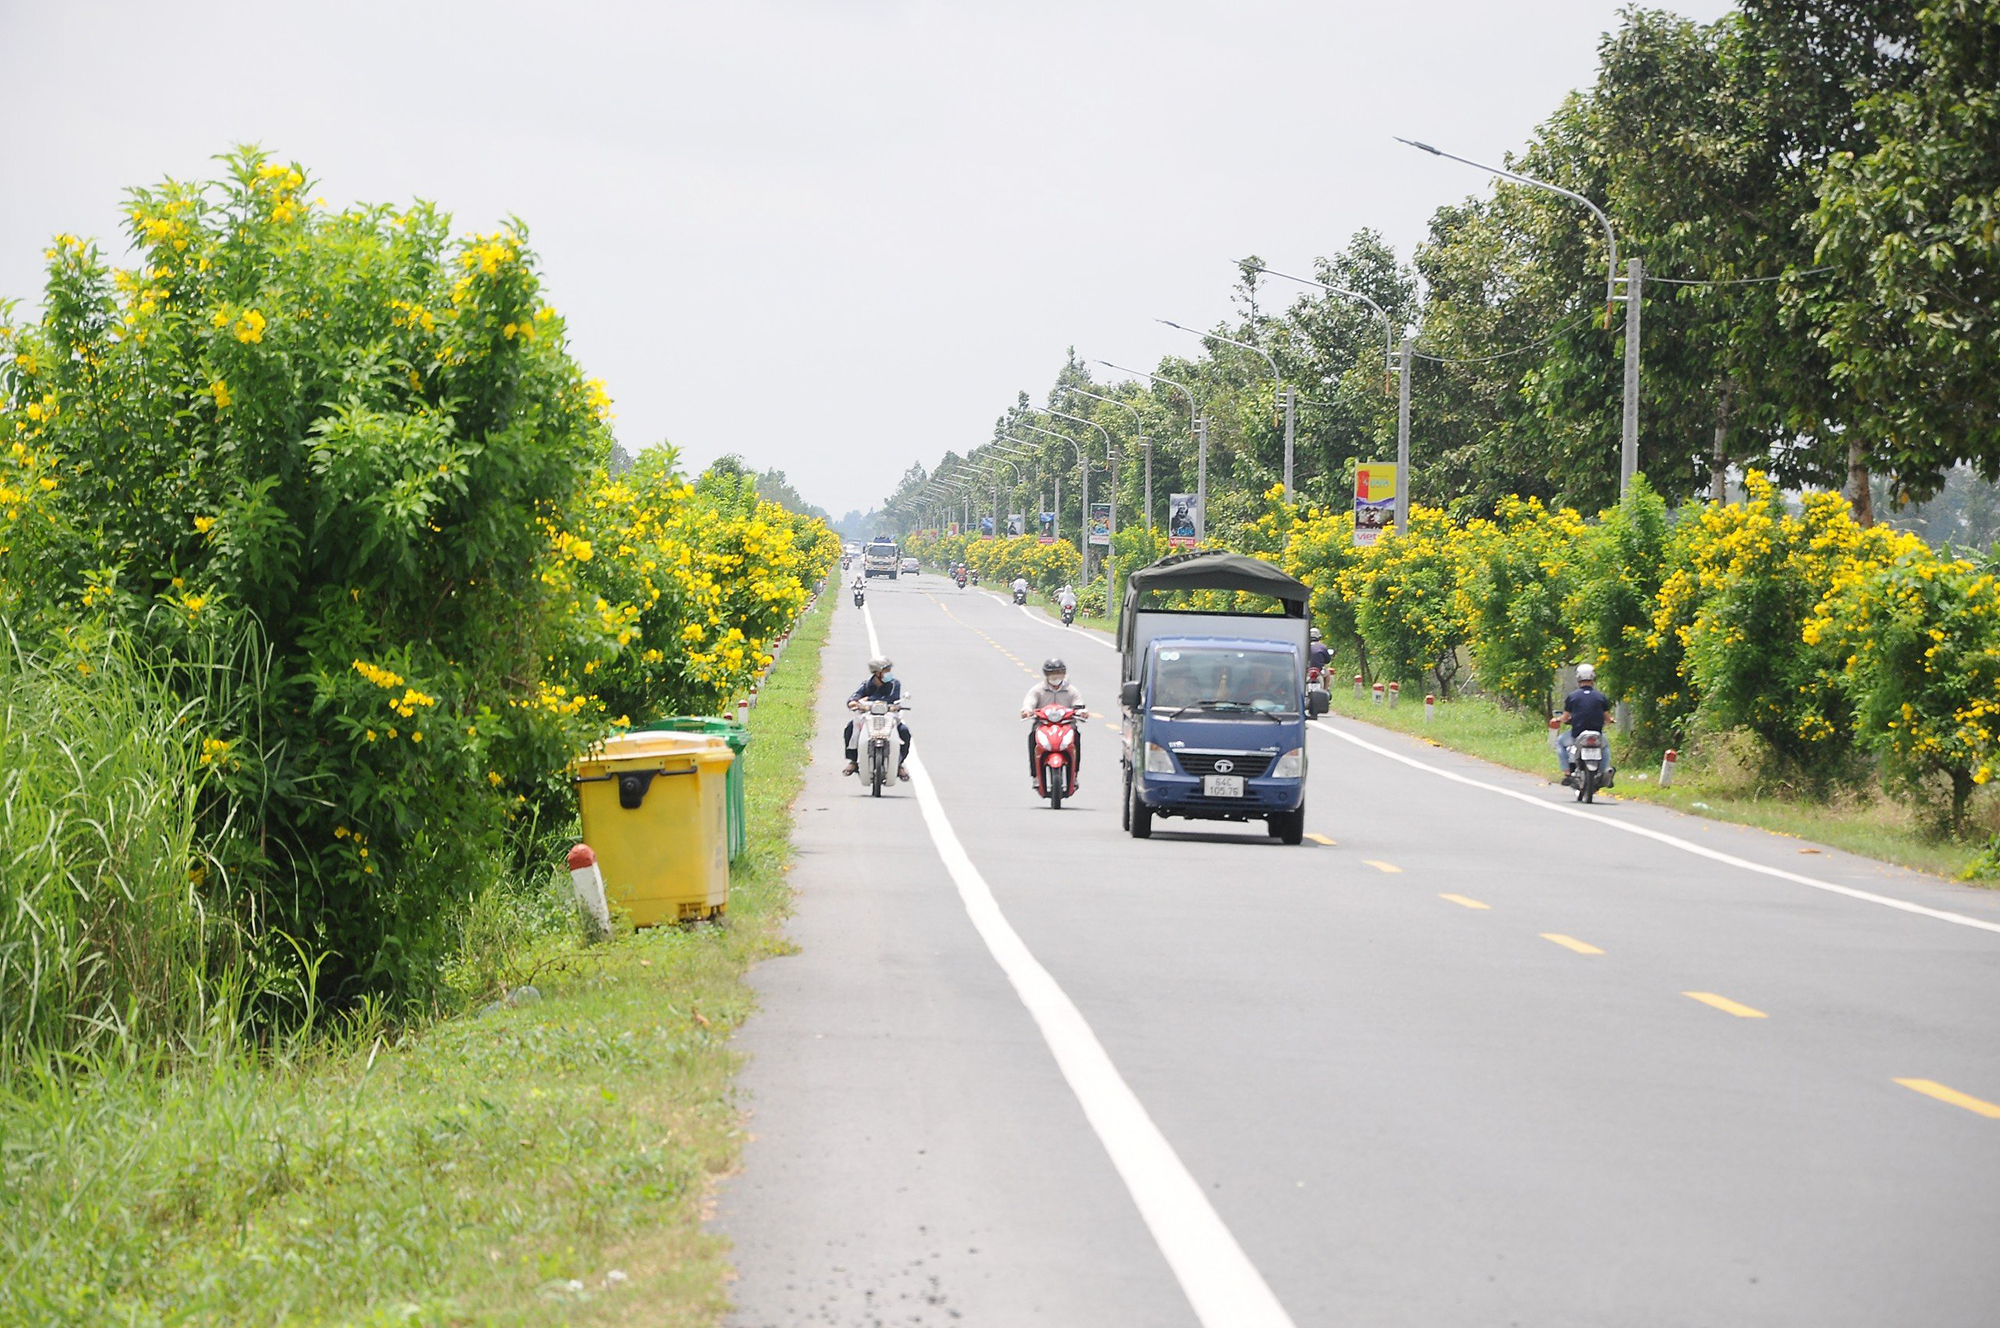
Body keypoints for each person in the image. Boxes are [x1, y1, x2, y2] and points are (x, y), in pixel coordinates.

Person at [844, 655, 911, 781]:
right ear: (877, 672)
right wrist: (853, 702)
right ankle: (853, 760)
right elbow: (854, 698)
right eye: (886, 671)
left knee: (904, 731)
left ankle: (899, 764)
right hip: (869, 717)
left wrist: (867, 699)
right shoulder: (866, 685)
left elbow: (891, 699)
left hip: (889, 716)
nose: (889, 673)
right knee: (850, 728)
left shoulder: (894, 684)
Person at [1020, 657, 1086, 781]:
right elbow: (1029, 701)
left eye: (1059, 673)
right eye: (1052, 674)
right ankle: (1035, 775)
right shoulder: (1038, 690)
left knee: (1076, 737)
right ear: (1046, 675)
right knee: (1033, 737)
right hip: (1043, 724)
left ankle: (1074, 774)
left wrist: (1082, 712)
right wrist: (1027, 710)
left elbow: (1079, 705)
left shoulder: (1071, 690)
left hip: (1066, 724)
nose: (1055, 677)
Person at [1552, 662, 1614, 782]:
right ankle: (1603, 772)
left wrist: (1558, 719)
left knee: (1559, 742)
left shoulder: (1572, 696)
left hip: (1577, 735)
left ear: (1578, 678)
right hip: (1596, 734)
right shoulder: (1600, 696)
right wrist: (1610, 721)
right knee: (1605, 747)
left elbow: (1565, 717)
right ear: (1593, 677)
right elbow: (1607, 718)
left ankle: (1567, 773)